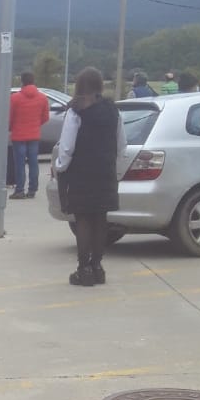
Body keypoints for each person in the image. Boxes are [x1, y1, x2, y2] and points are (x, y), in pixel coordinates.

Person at [53, 67, 131, 287]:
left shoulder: (76, 111)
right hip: (105, 171)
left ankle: (83, 269)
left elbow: (67, 147)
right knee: (100, 219)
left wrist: (60, 167)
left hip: (81, 171)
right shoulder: (112, 111)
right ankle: (98, 267)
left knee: (83, 219)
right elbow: (121, 145)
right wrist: (115, 169)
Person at [8, 70, 50, 199]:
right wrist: (36, 124)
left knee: (19, 164)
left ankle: (19, 190)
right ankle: (32, 189)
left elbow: (10, 117)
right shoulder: (43, 98)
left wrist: (11, 128)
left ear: (22, 81)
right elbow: (45, 117)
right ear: (33, 81)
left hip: (18, 135)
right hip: (34, 135)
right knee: (33, 162)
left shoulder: (14, 98)